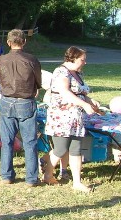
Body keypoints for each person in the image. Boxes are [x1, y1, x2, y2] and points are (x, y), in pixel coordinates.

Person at [42, 46, 100, 192]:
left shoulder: (78, 74)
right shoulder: (61, 72)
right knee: (60, 149)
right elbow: (65, 92)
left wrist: (91, 102)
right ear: (72, 58)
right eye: (82, 59)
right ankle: (48, 174)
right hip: (62, 117)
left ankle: (77, 182)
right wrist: (84, 104)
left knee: (76, 149)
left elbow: (81, 93)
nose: (85, 62)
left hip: (76, 118)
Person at [0, 29, 43, 186]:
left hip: (7, 100)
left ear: (8, 43)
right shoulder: (31, 59)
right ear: (24, 42)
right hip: (26, 101)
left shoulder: (1, 60)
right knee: (30, 142)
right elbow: (38, 82)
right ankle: (31, 178)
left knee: (6, 140)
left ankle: (6, 176)